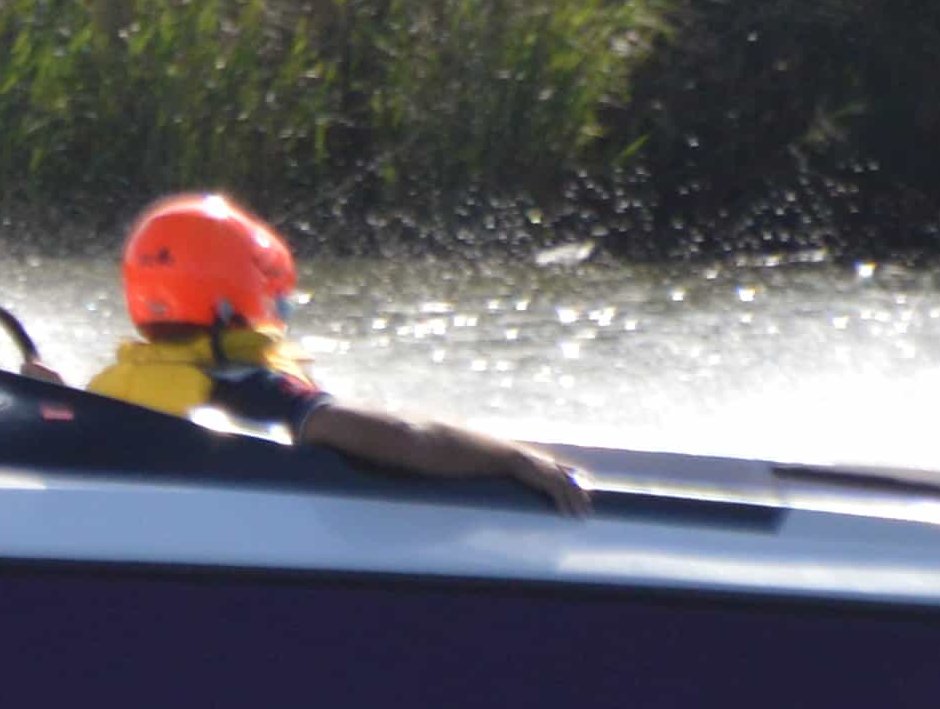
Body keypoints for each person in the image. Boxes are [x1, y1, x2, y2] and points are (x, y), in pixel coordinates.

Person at [88, 193, 591, 513]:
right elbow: (402, 437)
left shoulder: (105, 387)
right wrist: (512, 459)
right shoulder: (247, 388)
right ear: (231, 295)